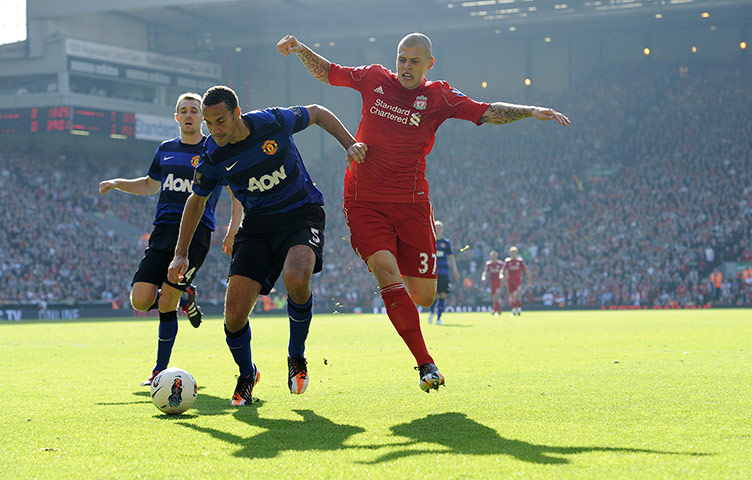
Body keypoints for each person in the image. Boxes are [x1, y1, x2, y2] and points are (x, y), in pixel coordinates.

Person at [277, 32, 569, 392]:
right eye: (401, 58)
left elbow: (486, 111)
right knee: (385, 271)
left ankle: (395, 273)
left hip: (413, 204)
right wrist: (301, 49)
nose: (405, 66)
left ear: (429, 64)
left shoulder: (439, 97)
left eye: (414, 60)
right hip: (364, 200)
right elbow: (328, 72)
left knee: (425, 296)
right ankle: (425, 364)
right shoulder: (373, 78)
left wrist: (531, 111)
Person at [167, 85, 366, 406]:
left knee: (297, 276)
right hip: (257, 226)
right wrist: (180, 252)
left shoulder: (273, 121)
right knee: (233, 315)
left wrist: (350, 143)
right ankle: (247, 373)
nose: (214, 130)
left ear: (236, 114)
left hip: (301, 213)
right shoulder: (213, 155)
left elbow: (317, 112)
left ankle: (296, 356)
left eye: (220, 121)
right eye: (208, 122)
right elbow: (196, 200)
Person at [99, 92, 243, 386]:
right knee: (140, 300)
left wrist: (232, 229)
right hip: (162, 231)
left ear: (201, 117)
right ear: (177, 118)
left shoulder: (215, 149)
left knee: (166, 302)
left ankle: (159, 370)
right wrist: (117, 183)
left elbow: (236, 193)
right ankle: (186, 296)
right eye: (184, 110)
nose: (189, 115)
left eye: (193, 110)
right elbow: (151, 185)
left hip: (195, 234)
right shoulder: (165, 149)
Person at [427, 220, 460, 325]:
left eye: (440, 227)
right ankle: (432, 312)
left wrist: (455, 270)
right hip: (432, 273)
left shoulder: (446, 243)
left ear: (443, 229)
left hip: (444, 272)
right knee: (434, 295)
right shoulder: (429, 241)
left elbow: (451, 257)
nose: (438, 229)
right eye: (436, 227)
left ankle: (439, 318)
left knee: (442, 294)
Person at [502, 246, 530, 317]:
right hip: (510, 281)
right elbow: (503, 270)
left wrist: (529, 279)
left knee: (518, 295)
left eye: (514, 252)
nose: (513, 254)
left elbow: (525, 270)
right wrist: (502, 276)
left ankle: (519, 309)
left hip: (518, 281)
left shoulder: (520, 261)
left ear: (517, 253)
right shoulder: (507, 261)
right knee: (512, 296)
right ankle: (513, 310)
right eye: (512, 252)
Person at [481, 250, 504, 316]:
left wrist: (502, 277)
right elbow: (485, 271)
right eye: (492, 256)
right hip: (492, 281)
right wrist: (483, 276)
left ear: (497, 256)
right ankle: (499, 310)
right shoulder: (488, 264)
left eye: (494, 256)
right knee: (494, 297)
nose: (493, 257)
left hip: (498, 281)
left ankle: (494, 310)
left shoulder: (500, 263)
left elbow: (502, 271)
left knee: (497, 295)